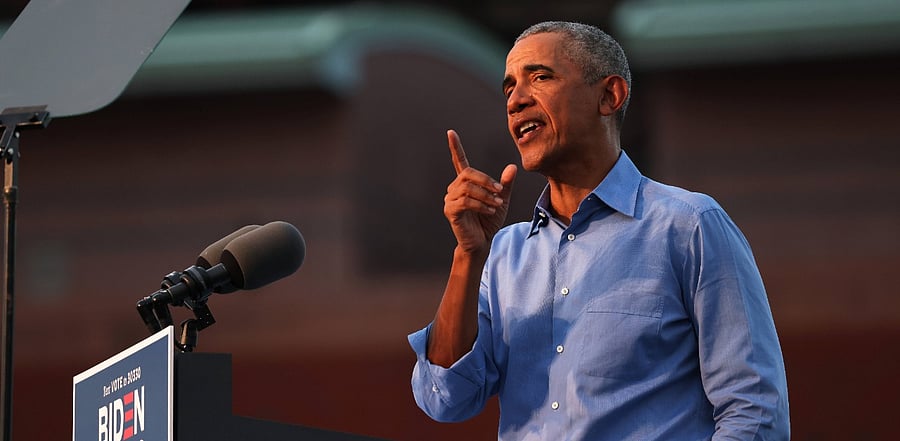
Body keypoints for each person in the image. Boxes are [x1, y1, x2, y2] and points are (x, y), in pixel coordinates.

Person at [408, 21, 790, 440]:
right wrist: (468, 255)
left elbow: (754, 411)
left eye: (540, 77)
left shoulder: (689, 226)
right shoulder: (503, 254)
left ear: (610, 95)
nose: (515, 101)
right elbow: (444, 399)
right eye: (509, 88)